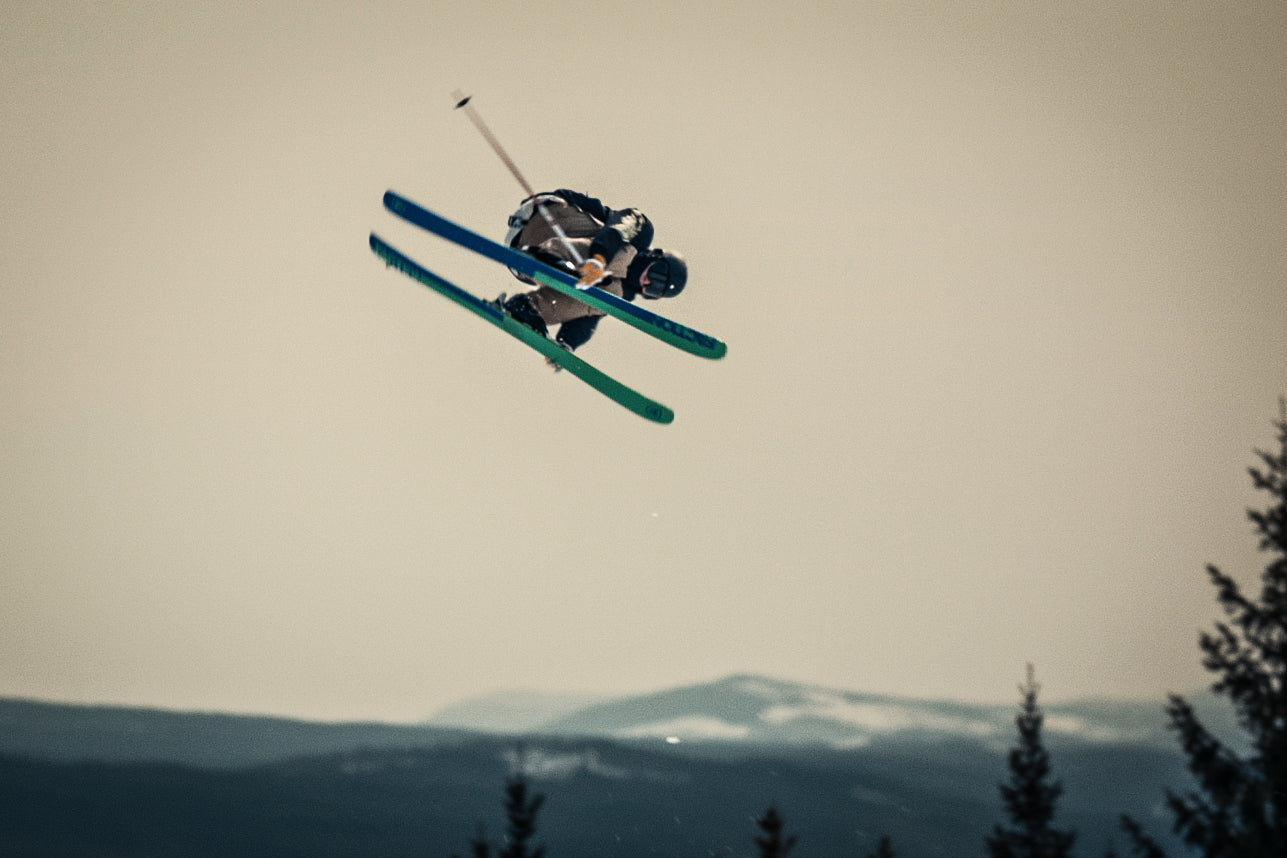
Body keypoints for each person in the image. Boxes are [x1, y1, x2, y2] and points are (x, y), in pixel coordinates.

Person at [498, 190, 687, 351]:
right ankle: (548, 257)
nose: (648, 283)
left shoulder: (617, 292)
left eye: (654, 289)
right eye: (658, 275)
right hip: (546, 217)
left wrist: (567, 343)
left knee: (607, 298)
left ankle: (527, 309)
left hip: (519, 256)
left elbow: (586, 319)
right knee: (624, 256)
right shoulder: (642, 230)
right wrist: (599, 260)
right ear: (656, 257)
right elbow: (616, 230)